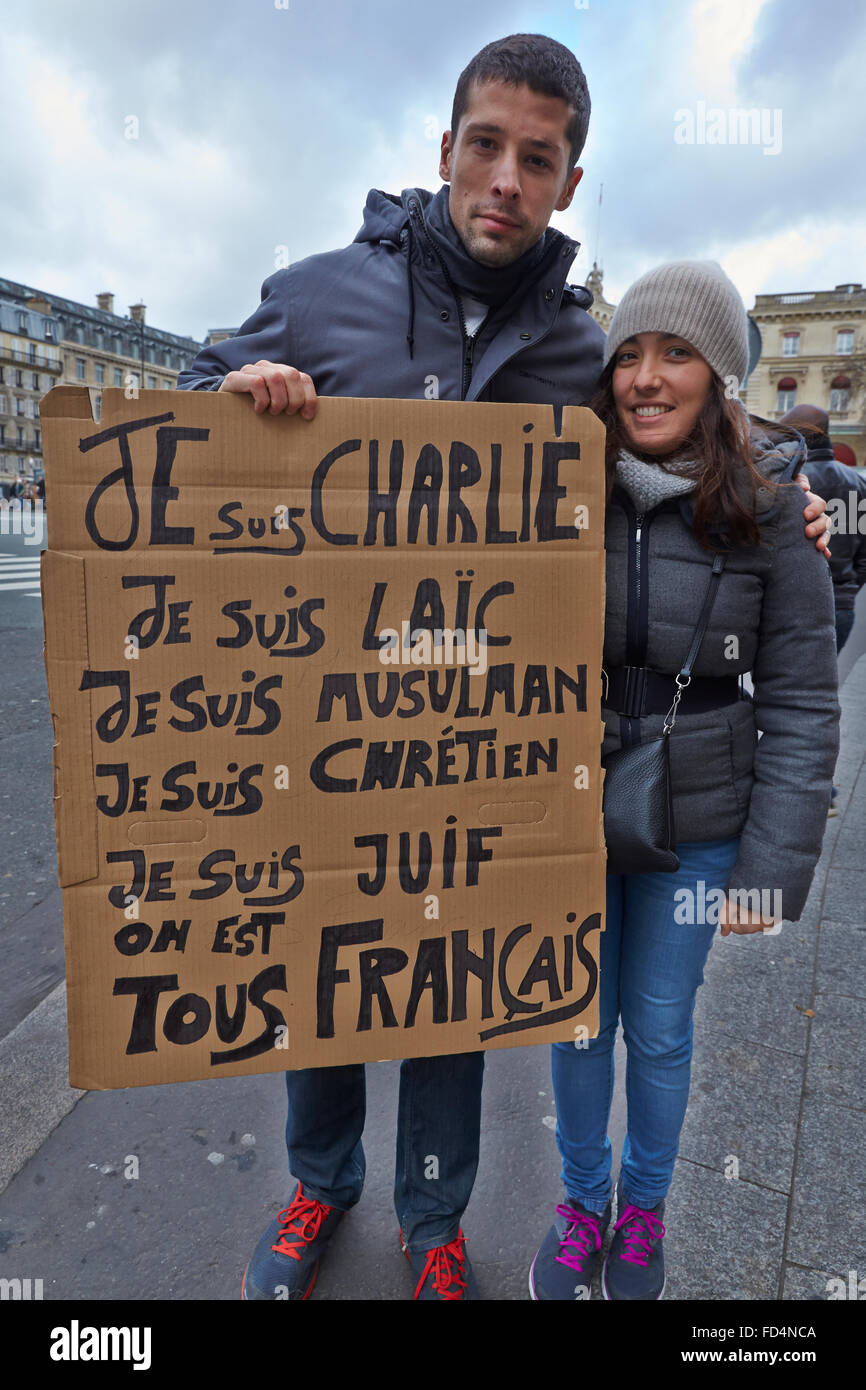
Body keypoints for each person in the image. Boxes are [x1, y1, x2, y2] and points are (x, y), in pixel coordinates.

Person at [177, 37, 831, 1301]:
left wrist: (791, 497)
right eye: (486, 145)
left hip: (478, 745)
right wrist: (229, 386)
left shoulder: (574, 353)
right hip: (325, 725)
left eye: (537, 159)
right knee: (322, 973)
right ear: (444, 150)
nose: (505, 178)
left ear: (567, 183)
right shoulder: (317, 295)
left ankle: (435, 1221)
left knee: (448, 989)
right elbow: (189, 405)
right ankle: (320, 1182)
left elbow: (680, 427)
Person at [528, 261, 840, 1302]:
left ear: (718, 376)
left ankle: (641, 1209)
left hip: (701, 819)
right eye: (628, 354)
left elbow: (800, 700)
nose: (645, 379)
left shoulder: (768, 512)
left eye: (675, 354)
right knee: (574, 1017)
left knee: (659, 1028)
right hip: (562, 806)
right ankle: (580, 1206)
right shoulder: (552, 486)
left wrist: (769, 871)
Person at [779, 405, 866, 815]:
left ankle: (812, 789)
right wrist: (848, 585)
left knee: (791, 699)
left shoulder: (787, 479)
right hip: (842, 603)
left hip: (791, 603)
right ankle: (821, 787)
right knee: (820, 696)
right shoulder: (855, 483)